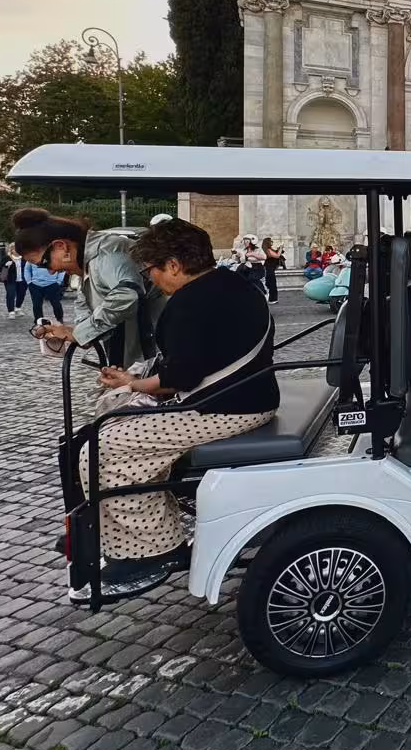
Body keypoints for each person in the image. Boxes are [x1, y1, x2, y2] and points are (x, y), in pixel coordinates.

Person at [88, 219, 279, 587]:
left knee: (102, 447)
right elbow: (200, 361)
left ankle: (153, 549)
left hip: (227, 408)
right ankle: (127, 529)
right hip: (246, 396)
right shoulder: (230, 284)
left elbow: (183, 376)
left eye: (151, 271)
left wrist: (134, 384)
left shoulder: (191, 301)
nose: (152, 280)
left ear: (173, 264)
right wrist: (135, 382)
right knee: (116, 432)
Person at [12, 207, 159, 367]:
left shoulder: (107, 253)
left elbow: (127, 295)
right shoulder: (86, 262)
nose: (50, 271)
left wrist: (79, 333)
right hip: (139, 352)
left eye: (44, 263)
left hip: (160, 350)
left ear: (61, 247)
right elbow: (85, 305)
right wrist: (76, 332)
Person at [24, 256, 67, 324]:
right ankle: (39, 321)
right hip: (35, 285)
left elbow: (62, 268)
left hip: (52, 284)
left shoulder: (54, 255)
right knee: (36, 305)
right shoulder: (32, 257)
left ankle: (59, 319)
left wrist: (58, 281)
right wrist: (29, 281)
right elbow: (27, 269)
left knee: (56, 304)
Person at [0, 247, 28, 318]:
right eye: (15, 249)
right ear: (11, 250)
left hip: (22, 280)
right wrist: (6, 265)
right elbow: (0, 269)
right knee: (10, 295)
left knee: (21, 294)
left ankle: (18, 308)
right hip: (10, 280)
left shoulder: (25, 258)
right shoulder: (7, 258)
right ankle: (11, 311)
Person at [262, 237, 285, 305]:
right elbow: (277, 256)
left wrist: (279, 249)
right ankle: (272, 299)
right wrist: (280, 248)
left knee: (271, 284)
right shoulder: (268, 250)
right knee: (271, 284)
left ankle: (272, 298)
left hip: (270, 269)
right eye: (271, 241)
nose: (272, 242)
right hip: (269, 269)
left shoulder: (268, 250)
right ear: (268, 242)